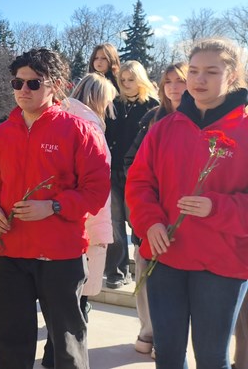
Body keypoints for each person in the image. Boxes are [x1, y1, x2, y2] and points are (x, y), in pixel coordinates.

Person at [0, 48, 110, 369]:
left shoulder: (80, 131)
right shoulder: (1, 134)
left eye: (34, 83)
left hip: (59, 255)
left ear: (57, 85)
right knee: (9, 343)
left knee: (67, 344)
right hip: (9, 252)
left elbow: (96, 191)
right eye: (18, 82)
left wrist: (54, 206)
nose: (23, 90)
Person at [127, 38, 248, 368]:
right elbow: (139, 183)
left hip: (222, 263)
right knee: (167, 356)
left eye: (211, 71)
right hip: (166, 257)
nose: (199, 79)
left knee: (211, 358)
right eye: (193, 71)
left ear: (232, 75)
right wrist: (150, 222)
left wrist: (216, 207)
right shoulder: (164, 128)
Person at [40, 73, 117, 368]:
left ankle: (52, 354)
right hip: (85, 222)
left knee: (60, 298)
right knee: (77, 302)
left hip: (59, 218)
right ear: (98, 99)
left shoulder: (57, 120)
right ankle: (64, 358)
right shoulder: (90, 128)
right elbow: (96, 188)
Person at [123, 62, 188, 357]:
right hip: (150, 211)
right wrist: (146, 196)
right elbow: (131, 162)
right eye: (168, 81)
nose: (173, 87)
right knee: (145, 271)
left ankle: (168, 338)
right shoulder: (153, 117)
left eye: (180, 80)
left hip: (185, 216)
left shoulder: (203, 120)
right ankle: (148, 330)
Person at [103, 60, 158, 289]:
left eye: (131, 79)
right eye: (122, 80)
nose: (126, 84)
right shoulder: (114, 104)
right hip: (112, 170)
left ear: (140, 79)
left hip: (137, 173)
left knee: (138, 221)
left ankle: (147, 268)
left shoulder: (152, 106)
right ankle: (117, 271)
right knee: (115, 224)